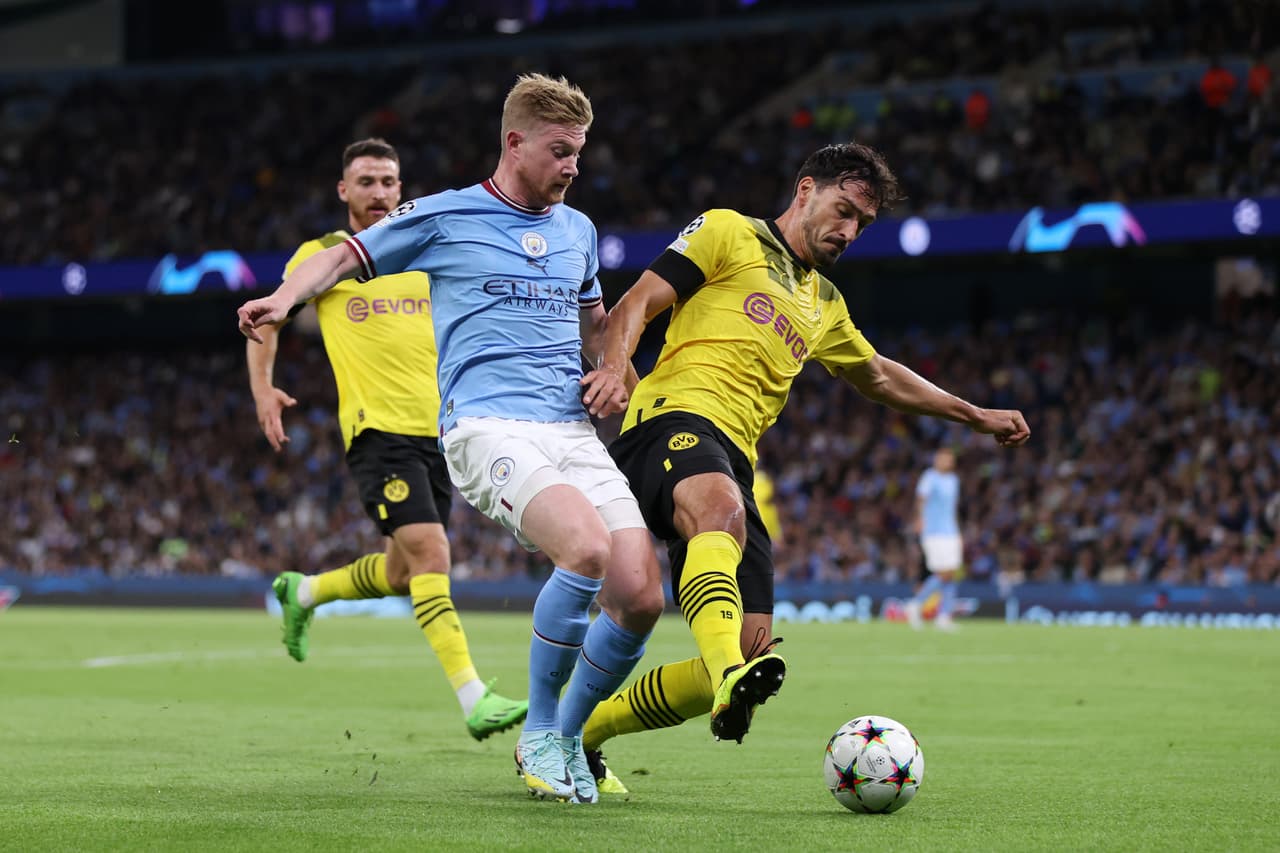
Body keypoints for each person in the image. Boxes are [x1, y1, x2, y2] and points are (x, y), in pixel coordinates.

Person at [237, 75, 665, 805]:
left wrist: (617, 369)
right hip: (485, 425)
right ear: (515, 142)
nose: (572, 168)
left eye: (578, 156)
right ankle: (537, 736)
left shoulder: (579, 231)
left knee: (641, 594)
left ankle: (568, 732)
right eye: (559, 152)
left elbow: (597, 330)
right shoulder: (444, 216)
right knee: (587, 551)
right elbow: (341, 256)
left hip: (570, 428)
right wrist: (282, 299)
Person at [577, 141, 1030, 785]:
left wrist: (974, 414)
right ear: (805, 190)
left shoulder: (825, 303)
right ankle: (719, 674)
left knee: (740, 654)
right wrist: (617, 369)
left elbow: (877, 375)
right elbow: (637, 304)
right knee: (720, 515)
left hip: (733, 458)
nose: (848, 231)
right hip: (670, 421)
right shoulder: (728, 232)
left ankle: (582, 732)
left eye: (862, 224)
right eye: (842, 210)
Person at [246, 138, 528, 741]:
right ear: (344, 191)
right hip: (378, 431)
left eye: (388, 182)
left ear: (402, 190)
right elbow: (271, 315)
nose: (379, 192)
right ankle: (474, 696)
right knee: (431, 555)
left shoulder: (422, 254)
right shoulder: (324, 257)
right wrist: (264, 388)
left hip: (442, 434)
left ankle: (306, 590)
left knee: (404, 574)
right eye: (366, 182)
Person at [904, 448, 963, 631]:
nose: (944, 462)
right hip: (934, 531)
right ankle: (916, 604)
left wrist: (957, 532)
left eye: (948, 459)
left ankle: (944, 616)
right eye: (941, 459)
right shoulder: (929, 477)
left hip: (950, 531)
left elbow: (951, 509)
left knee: (951, 573)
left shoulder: (954, 480)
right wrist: (920, 519)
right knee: (943, 572)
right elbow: (921, 499)